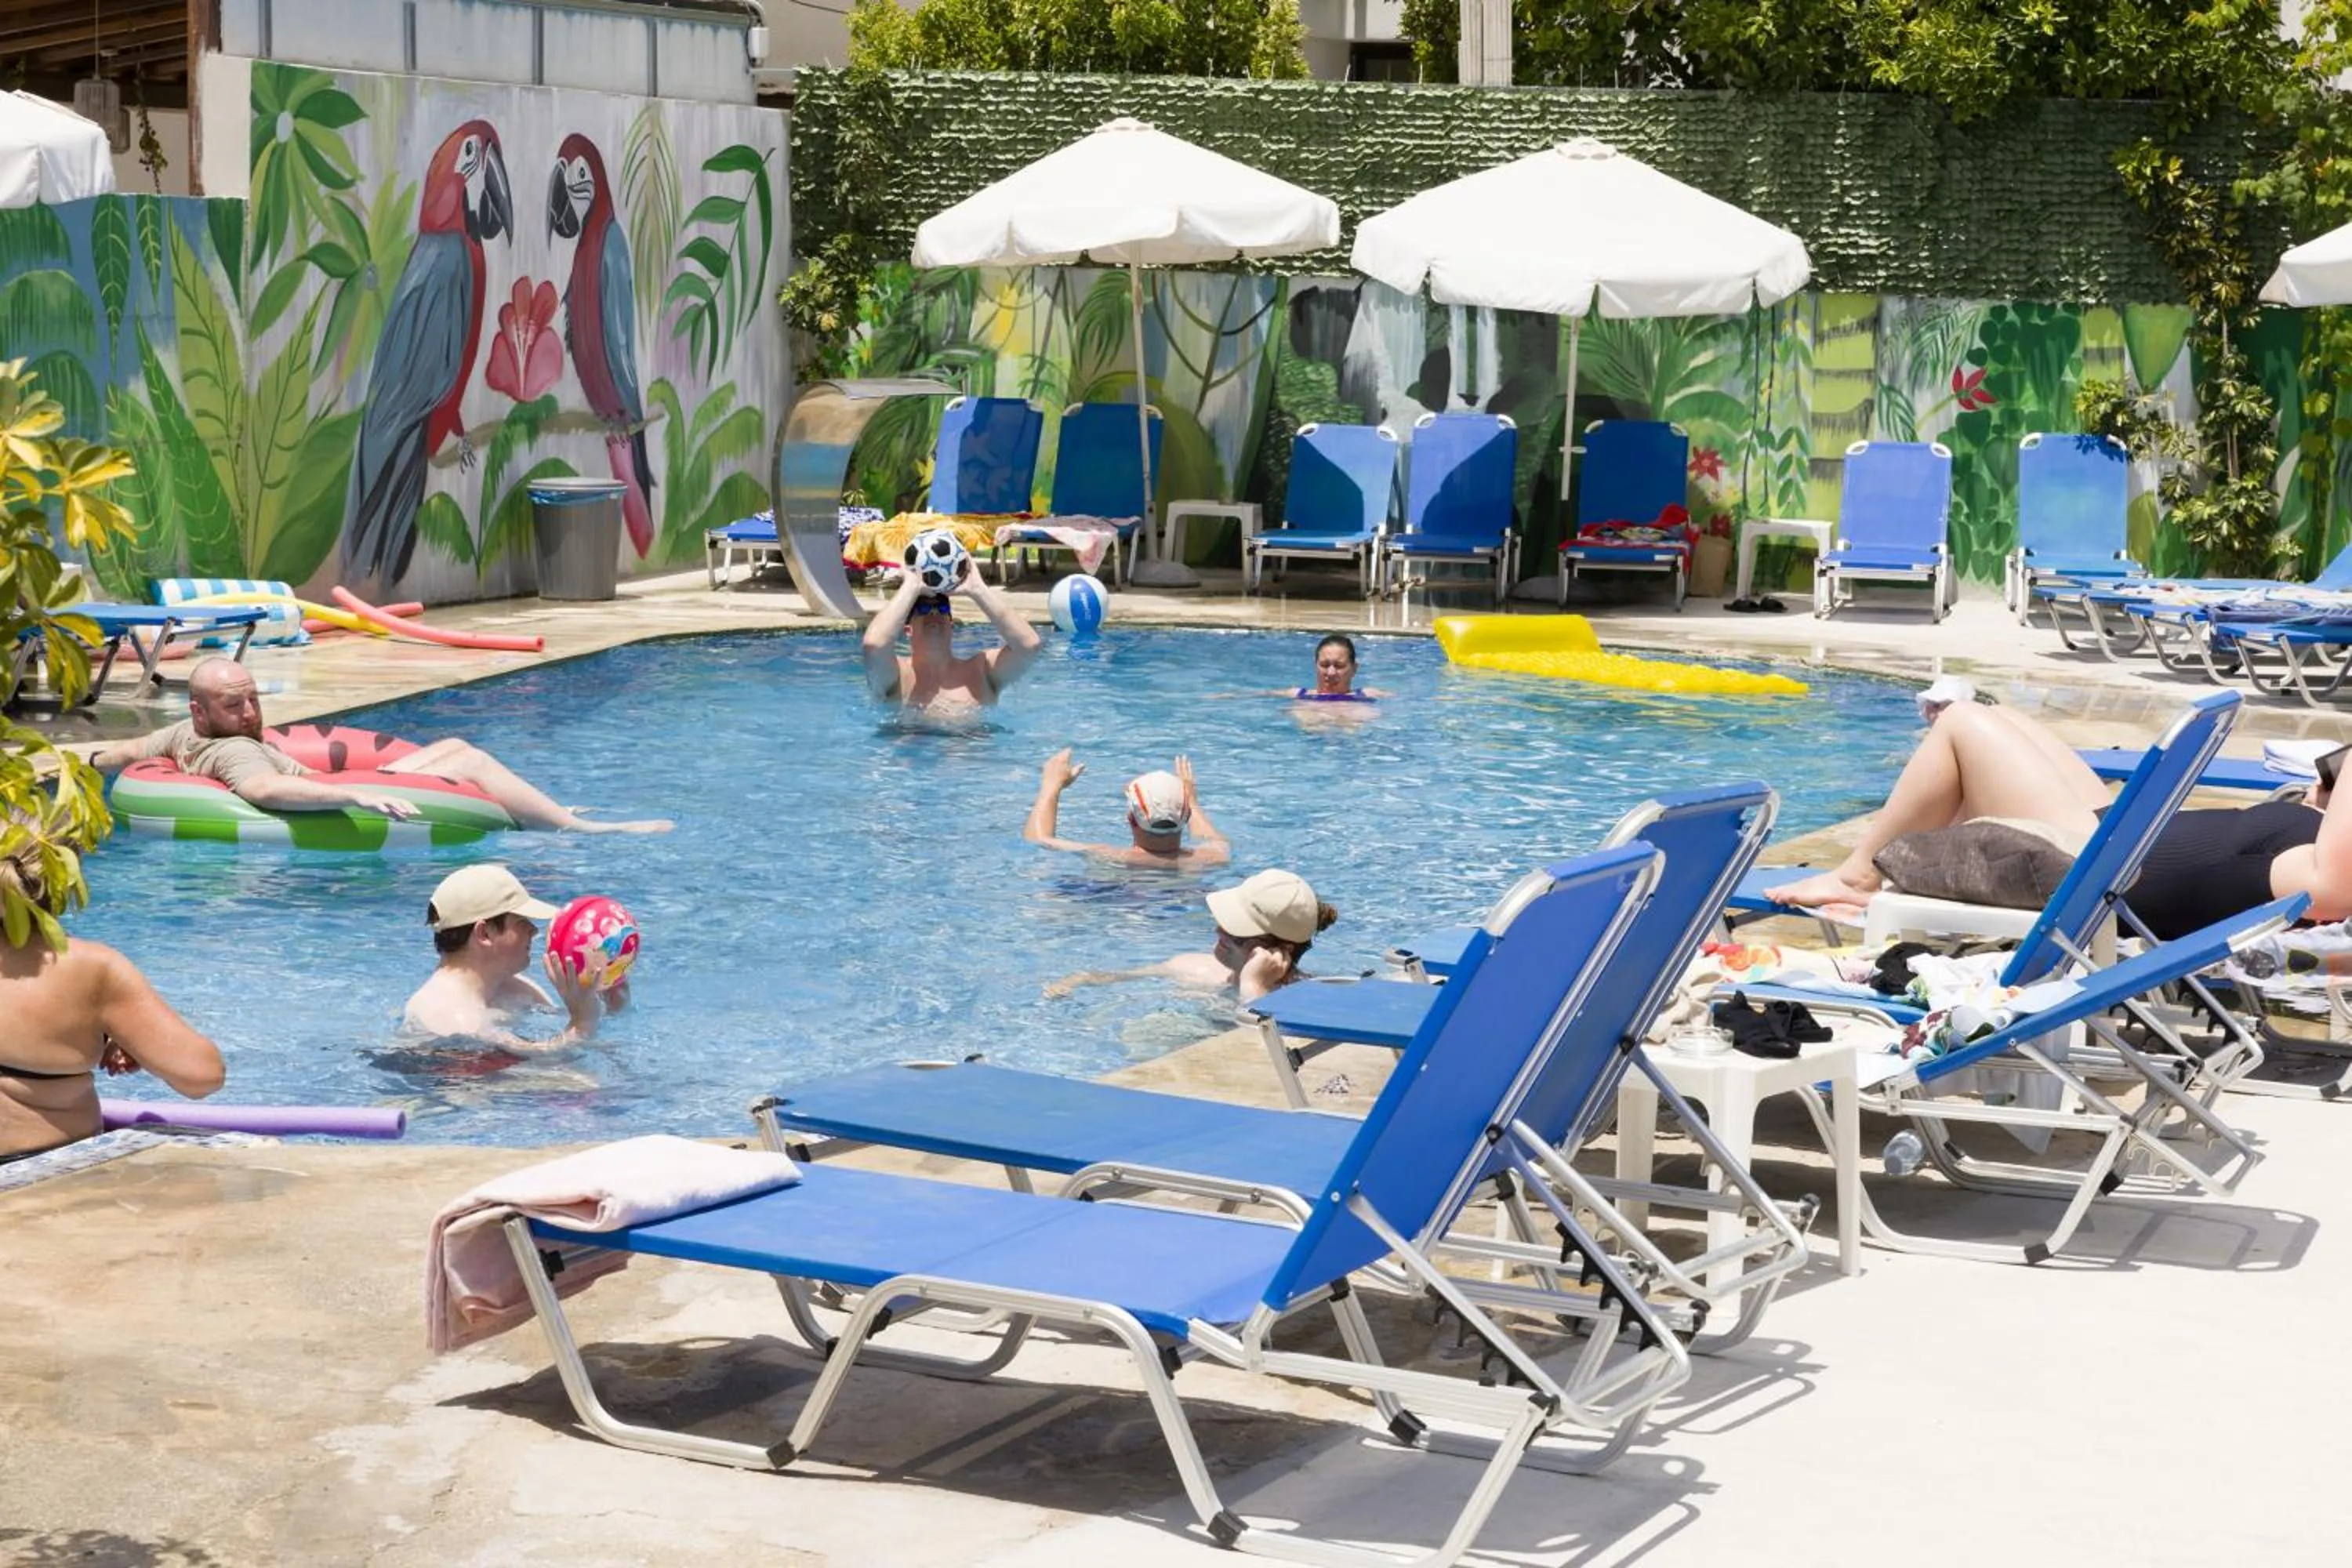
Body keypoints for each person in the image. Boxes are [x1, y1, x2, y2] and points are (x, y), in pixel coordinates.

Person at [1763, 689, 2352, 939]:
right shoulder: (2322, 839)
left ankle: (1858, 877)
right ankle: (1924, 881)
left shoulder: (2326, 878)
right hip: (2116, 832)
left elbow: (2330, 893)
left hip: (2098, 867)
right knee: (1994, 716)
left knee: (1963, 724)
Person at [85, 659, 670, 833]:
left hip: (338, 781)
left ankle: (547, 809)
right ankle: (579, 828)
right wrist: (357, 796)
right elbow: (263, 789)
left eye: (253, 699)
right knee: (468, 760)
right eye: (235, 705)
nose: (251, 713)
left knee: (454, 744)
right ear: (202, 710)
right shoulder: (234, 750)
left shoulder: (184, 734)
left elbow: (127, 750)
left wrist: (81, 762)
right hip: (341, 789)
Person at [0, 841, 225, 1160]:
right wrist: (125, 1031)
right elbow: (201, 1077)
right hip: (39, 1171)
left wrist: (97, 1029)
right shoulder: (89, 968)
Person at [401, 865, 622, 1047]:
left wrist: (612, 1001)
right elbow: (545, 1060)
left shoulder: (515, 988)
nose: (534, 931)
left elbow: (568, 1030)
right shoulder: (452, 1017)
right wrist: (582, 1023)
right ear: (484, 933)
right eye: (522, 922)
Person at [1046, 869, 1338, 1004]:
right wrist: (1079, 980)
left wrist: (1253, 988)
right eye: (1223, 921)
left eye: (1236, 931)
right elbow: (1121, 978)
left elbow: (1268, 1054)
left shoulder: (1306, 997)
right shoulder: (1194, 967)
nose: (1219, 931)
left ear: (1281, 950)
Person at [862, 556, 1043, 717]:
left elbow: (1029, 646)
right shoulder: (897, 676)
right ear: (908, 629)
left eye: (942, 608)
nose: (934, 613)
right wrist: (911, 587)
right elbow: (874, 645)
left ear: (951, 624)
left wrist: (978, 590)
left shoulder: (981, 670)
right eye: (924, 608)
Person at [1024, 750, 1232, 867]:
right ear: (1187, 817)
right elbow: (1214, 839)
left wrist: (1051, 786)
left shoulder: (1111, 857)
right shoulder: (1214, 858)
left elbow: (1038, 840)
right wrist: (1191, 800)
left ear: (1131, 818)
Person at [1291, 634, 1388, 702]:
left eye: (1339, 666)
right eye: (1324, 665)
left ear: (1354, 669)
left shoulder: (1368, 695)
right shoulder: (1296, 695)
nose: (1331, 673)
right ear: (1315, 665)